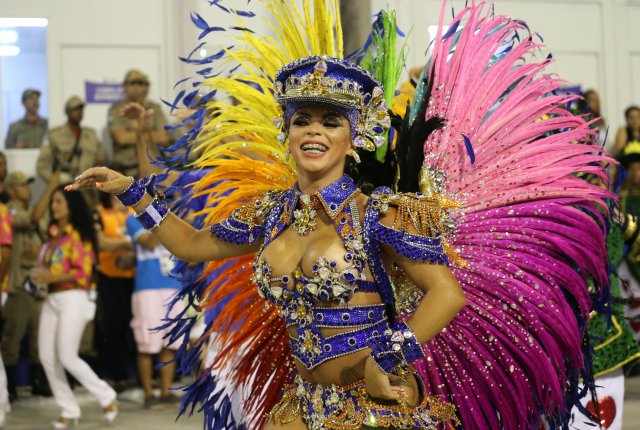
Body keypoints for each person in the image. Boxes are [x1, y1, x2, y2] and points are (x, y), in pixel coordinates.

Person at [70, 1, 611, 429]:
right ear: (286, 133)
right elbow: (190, 245)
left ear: (353, 139)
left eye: (330, 121)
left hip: (372, 406)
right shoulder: (271, 213)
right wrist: (135, 194)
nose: (313, 131)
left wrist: (386, 359)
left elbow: (447, 293)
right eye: (302, 118)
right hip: (300, 402)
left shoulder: (380, 215)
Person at [31, 186, 117, 429]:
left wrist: (50, 277)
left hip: (74, 297)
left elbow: (82, 272)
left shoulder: (79, 235)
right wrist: (39, 276)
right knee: (47, 357)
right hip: (52, 298)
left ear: (71, 204)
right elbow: (47, 267)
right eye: (53, 202)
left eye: (59, 201)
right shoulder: (52, 234)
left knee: (67, 356)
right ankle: (68, 409)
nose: (53, 206)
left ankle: (106, 396)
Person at [2, 171, 56, 401]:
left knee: (38, 335)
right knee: (13, 336)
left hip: (37, 282)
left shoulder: (38, 209)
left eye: (27, 184)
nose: (27, 188)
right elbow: (32, 218)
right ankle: (10, 384)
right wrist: (51, 186)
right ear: (12, 190)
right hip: (17, 283)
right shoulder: (9, 211)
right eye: (22, 185)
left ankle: (38, 381)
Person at [126, 212, 181, 409]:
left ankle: (166, 392)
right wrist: (164, 220)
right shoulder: (133, 219)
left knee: (170, 343)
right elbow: (148, 242)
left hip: (173, 285)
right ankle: (149, 394)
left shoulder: (174, 217)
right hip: (147, 288)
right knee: (147, 344)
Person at [108, 70, 169, 178]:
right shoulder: (116, 110)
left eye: (140, 84)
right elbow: (121, 138)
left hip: (153, 163)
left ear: (146, 88)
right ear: (124, 87)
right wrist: (147, 134)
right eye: (132, 83)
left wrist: (135, 133)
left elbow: (164, 137)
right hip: (126, 166)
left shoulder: (155, 109)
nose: (136, 88)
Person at [36, 96, 103, 184]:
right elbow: (42, 165)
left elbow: (101, 160)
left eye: (81, 109)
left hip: (88, 185)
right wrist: (55, 181)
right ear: (67, 111)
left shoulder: (91, 135)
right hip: (66, 186)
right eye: (75, 109)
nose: (79, 112)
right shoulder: (54, 134)